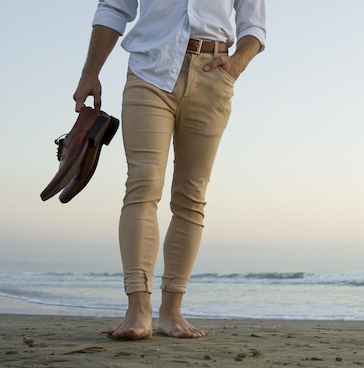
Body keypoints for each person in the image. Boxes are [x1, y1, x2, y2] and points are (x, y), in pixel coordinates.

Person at [73, 0, 266, 340]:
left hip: (214, 75)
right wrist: (90, 73)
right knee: (143, 183)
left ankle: (172, 311)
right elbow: (114, 8)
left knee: (191, 195)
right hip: (150, 70)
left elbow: (253, 26)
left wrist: (237, 64)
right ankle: (138, 308)